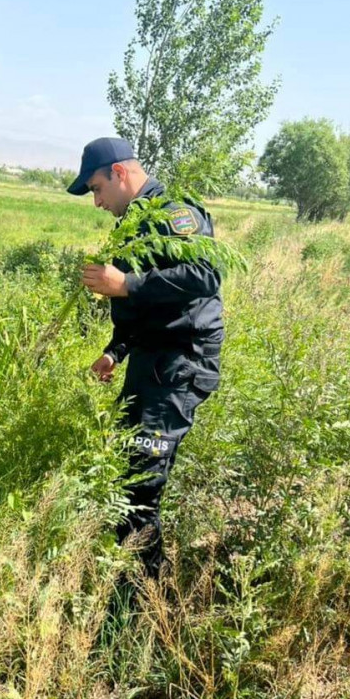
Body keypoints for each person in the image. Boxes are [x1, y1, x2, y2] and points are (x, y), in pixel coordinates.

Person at [67, 136, 223, 578]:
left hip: (178, 365)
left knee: (140, 485)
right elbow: (153, 304)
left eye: (96, 188)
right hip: (150, 362)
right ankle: (134, 580)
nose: (96, 201)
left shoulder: (174, 213)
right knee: (127, 469)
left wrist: (126, 285)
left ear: (119, 173)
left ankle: (142, 600)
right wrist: (116, 350)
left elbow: (205, 274)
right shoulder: (135, 221)